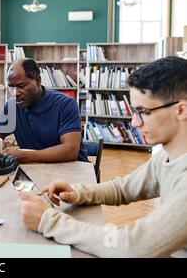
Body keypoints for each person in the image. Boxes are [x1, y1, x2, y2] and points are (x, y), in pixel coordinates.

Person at [18, 56, 187, 258]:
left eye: (143, 112)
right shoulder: (167, 157)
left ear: (181, 110)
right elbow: (123, 189)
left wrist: (48, 220)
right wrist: (79, 193)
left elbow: (133, 246)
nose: (134, 123)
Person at [0, 58, 88, 163]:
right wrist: (0, 149)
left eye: (21, 86)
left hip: (72, 170)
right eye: (11, 87)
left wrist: (24, 156)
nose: (15, 93)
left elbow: (70, 151)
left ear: (38, 81)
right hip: (35, 169)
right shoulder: (12, 107)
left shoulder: (65, 104)